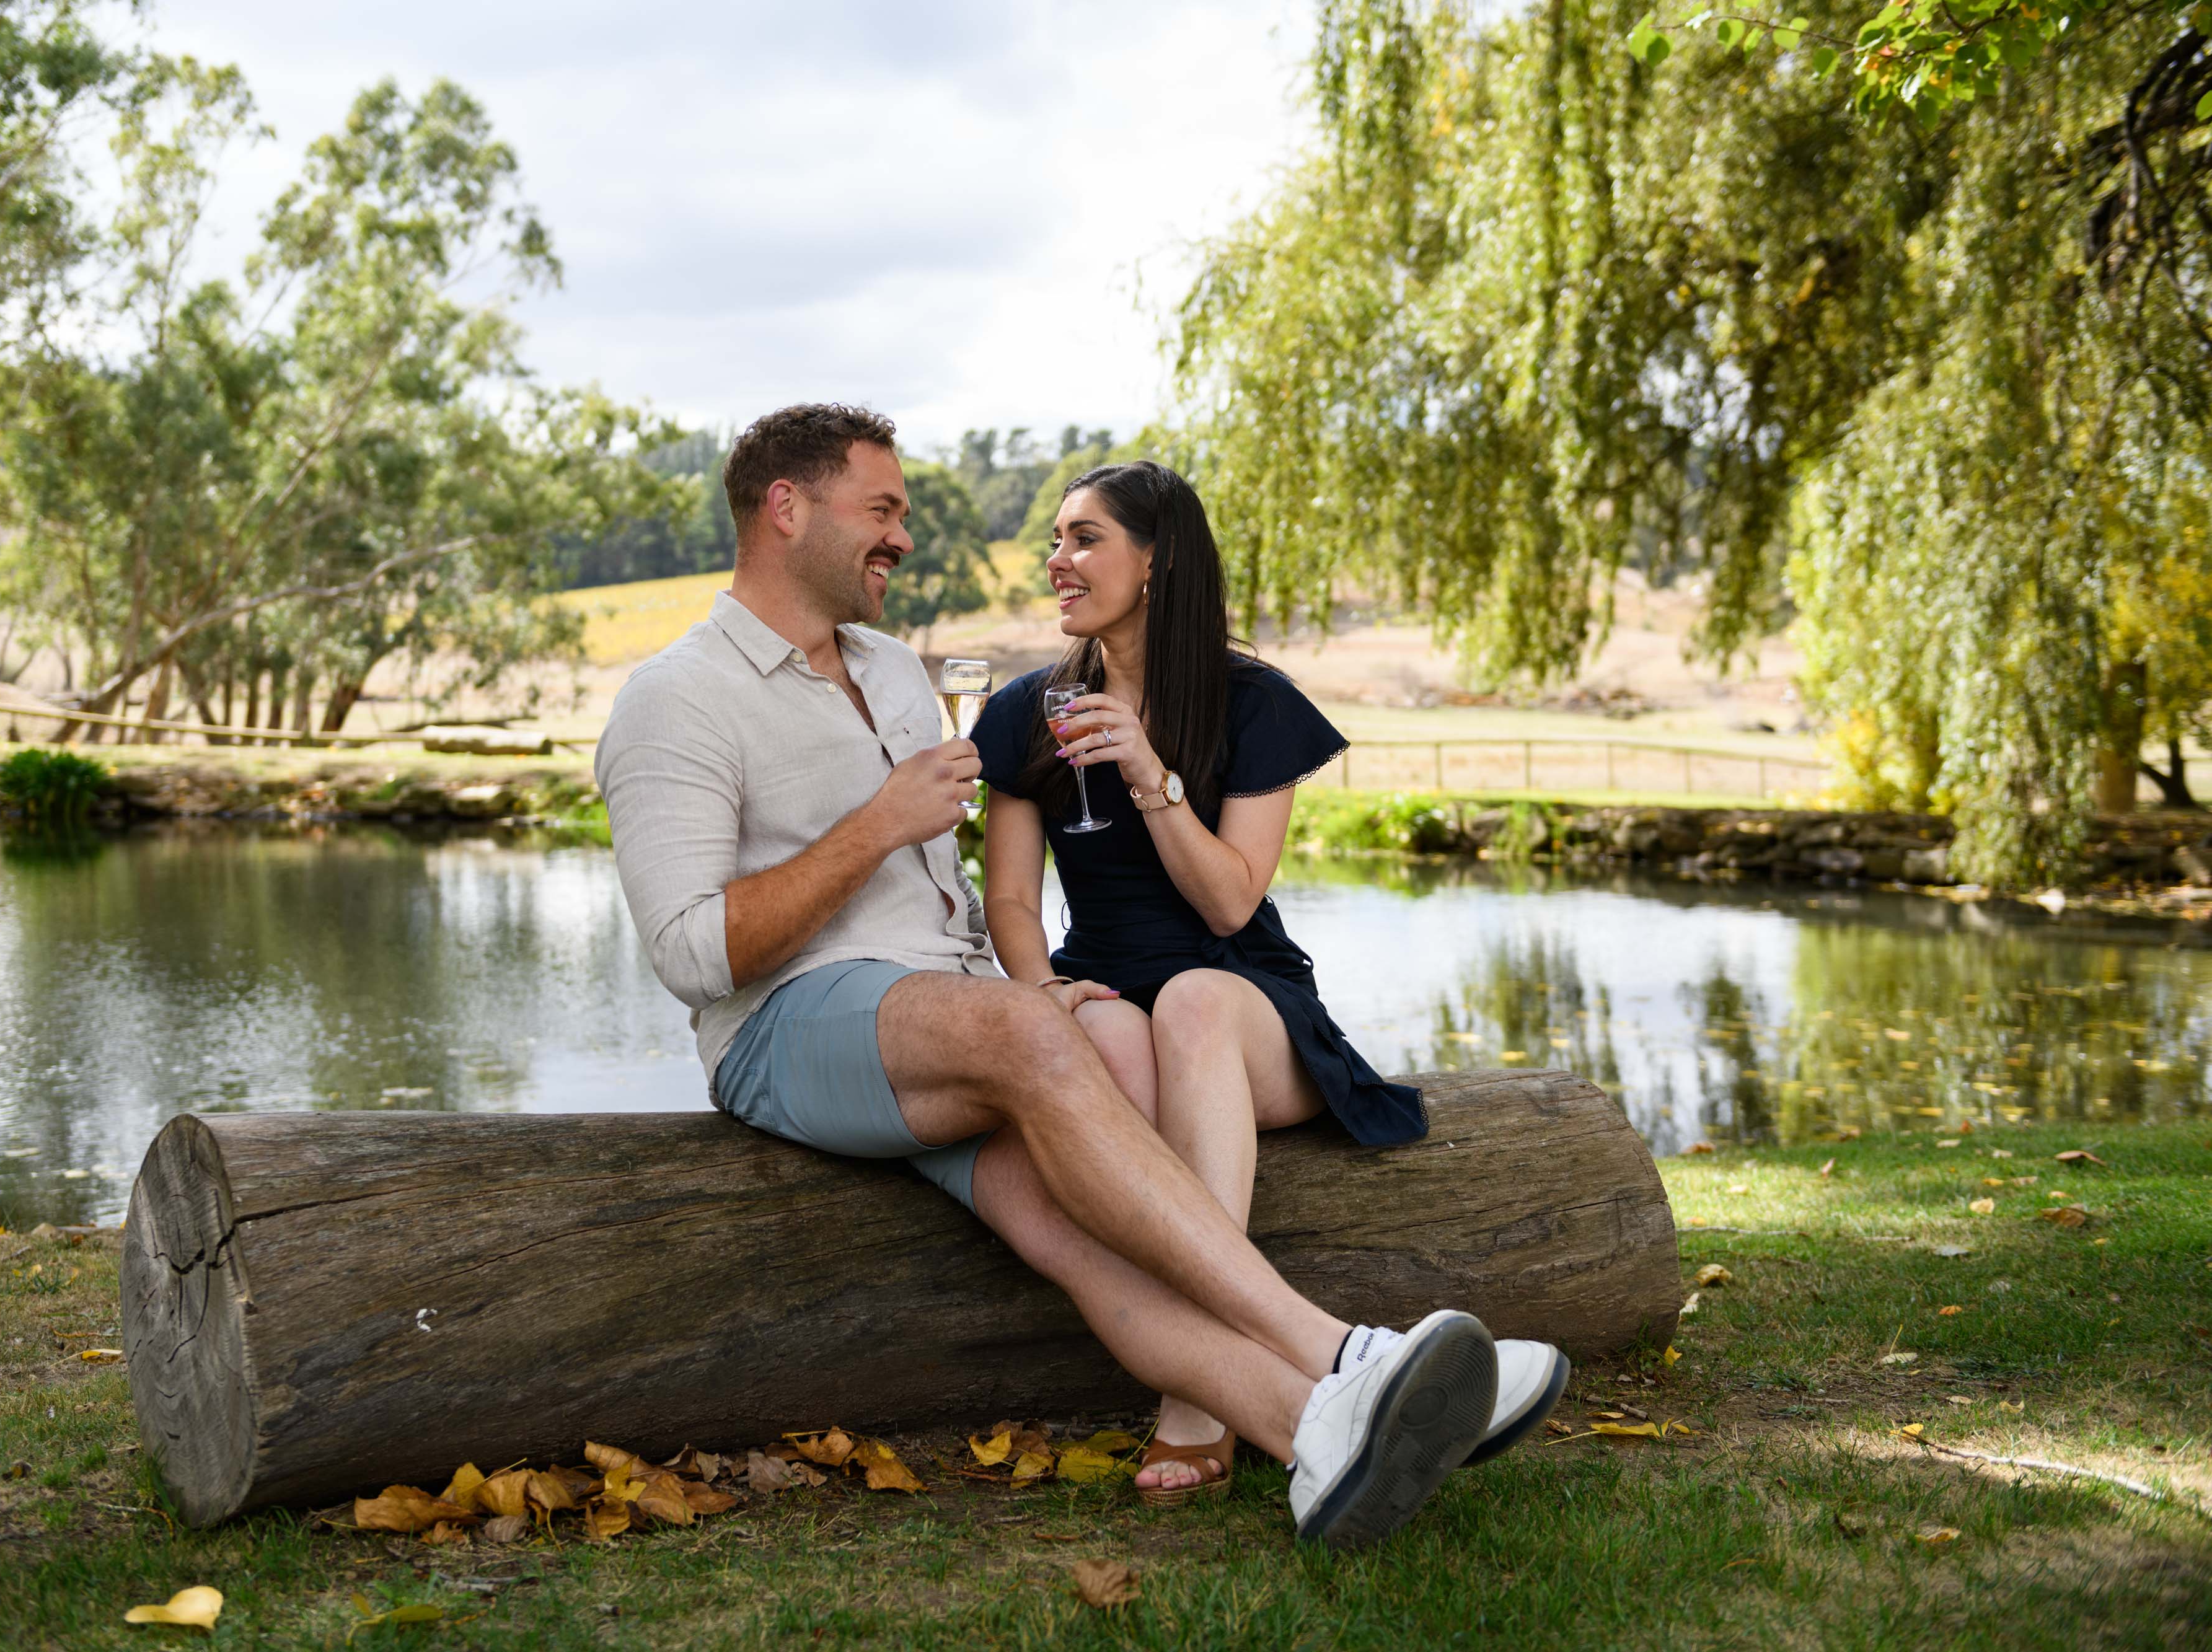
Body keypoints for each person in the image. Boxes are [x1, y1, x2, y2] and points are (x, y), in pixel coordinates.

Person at [598, 403, 1497, 1549]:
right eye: (882, 511)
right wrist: (883, 832)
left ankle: (1312, 1432)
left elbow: (996, 904)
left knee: (1091, 1212)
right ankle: (1344, 1351)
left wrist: (1026, 979)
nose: (904, 539)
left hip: (942, 1022)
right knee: (1040, 1036)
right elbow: (687, 952)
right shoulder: (677, 696)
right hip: (793, 1023)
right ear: (788, 509)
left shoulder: (883, 666)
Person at [971, 460, 1571, 1501]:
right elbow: (1015, 903)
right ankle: (1306, 1376)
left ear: (1157, 560)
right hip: (1107, 989)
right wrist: (1040, 990)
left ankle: (1201, 1396)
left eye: (1085, 539)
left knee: (1192, 1001)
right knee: (1102, 1030)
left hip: (1244, 1004)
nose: (1059, 563)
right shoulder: (1030, 710)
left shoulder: (1253, 702)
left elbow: (1229, 907)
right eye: (1056, 543)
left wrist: (1151, 777)